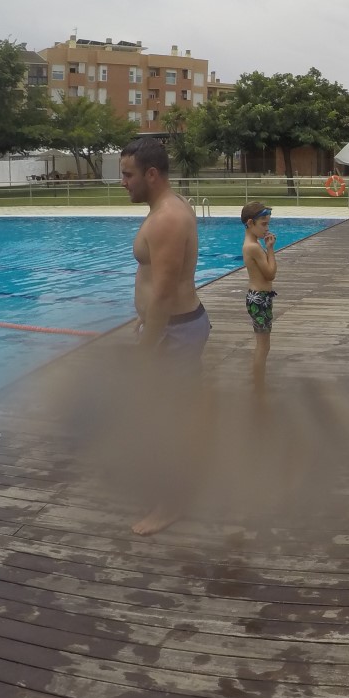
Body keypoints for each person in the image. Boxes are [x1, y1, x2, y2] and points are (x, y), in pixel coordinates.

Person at [119, 136, 210, 535]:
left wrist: (146, 346)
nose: (123, 182)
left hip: (174, 334)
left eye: (128, 174)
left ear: (151, 174)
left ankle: (172, 504)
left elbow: (165, 291)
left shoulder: (167, 218)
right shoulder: (166, 208)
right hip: (171, 328)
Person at [240, 202, 278, 392]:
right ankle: (259, 387)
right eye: (263, 224)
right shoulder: (253, 247)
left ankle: (258, 383)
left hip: (260, 297)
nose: (266, 228)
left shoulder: (252, 245)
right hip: (259, 299)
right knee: (263, 347)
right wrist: (270, 249)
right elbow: (270, 274)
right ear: (250, 223)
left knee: (263, 345)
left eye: (268, 223)